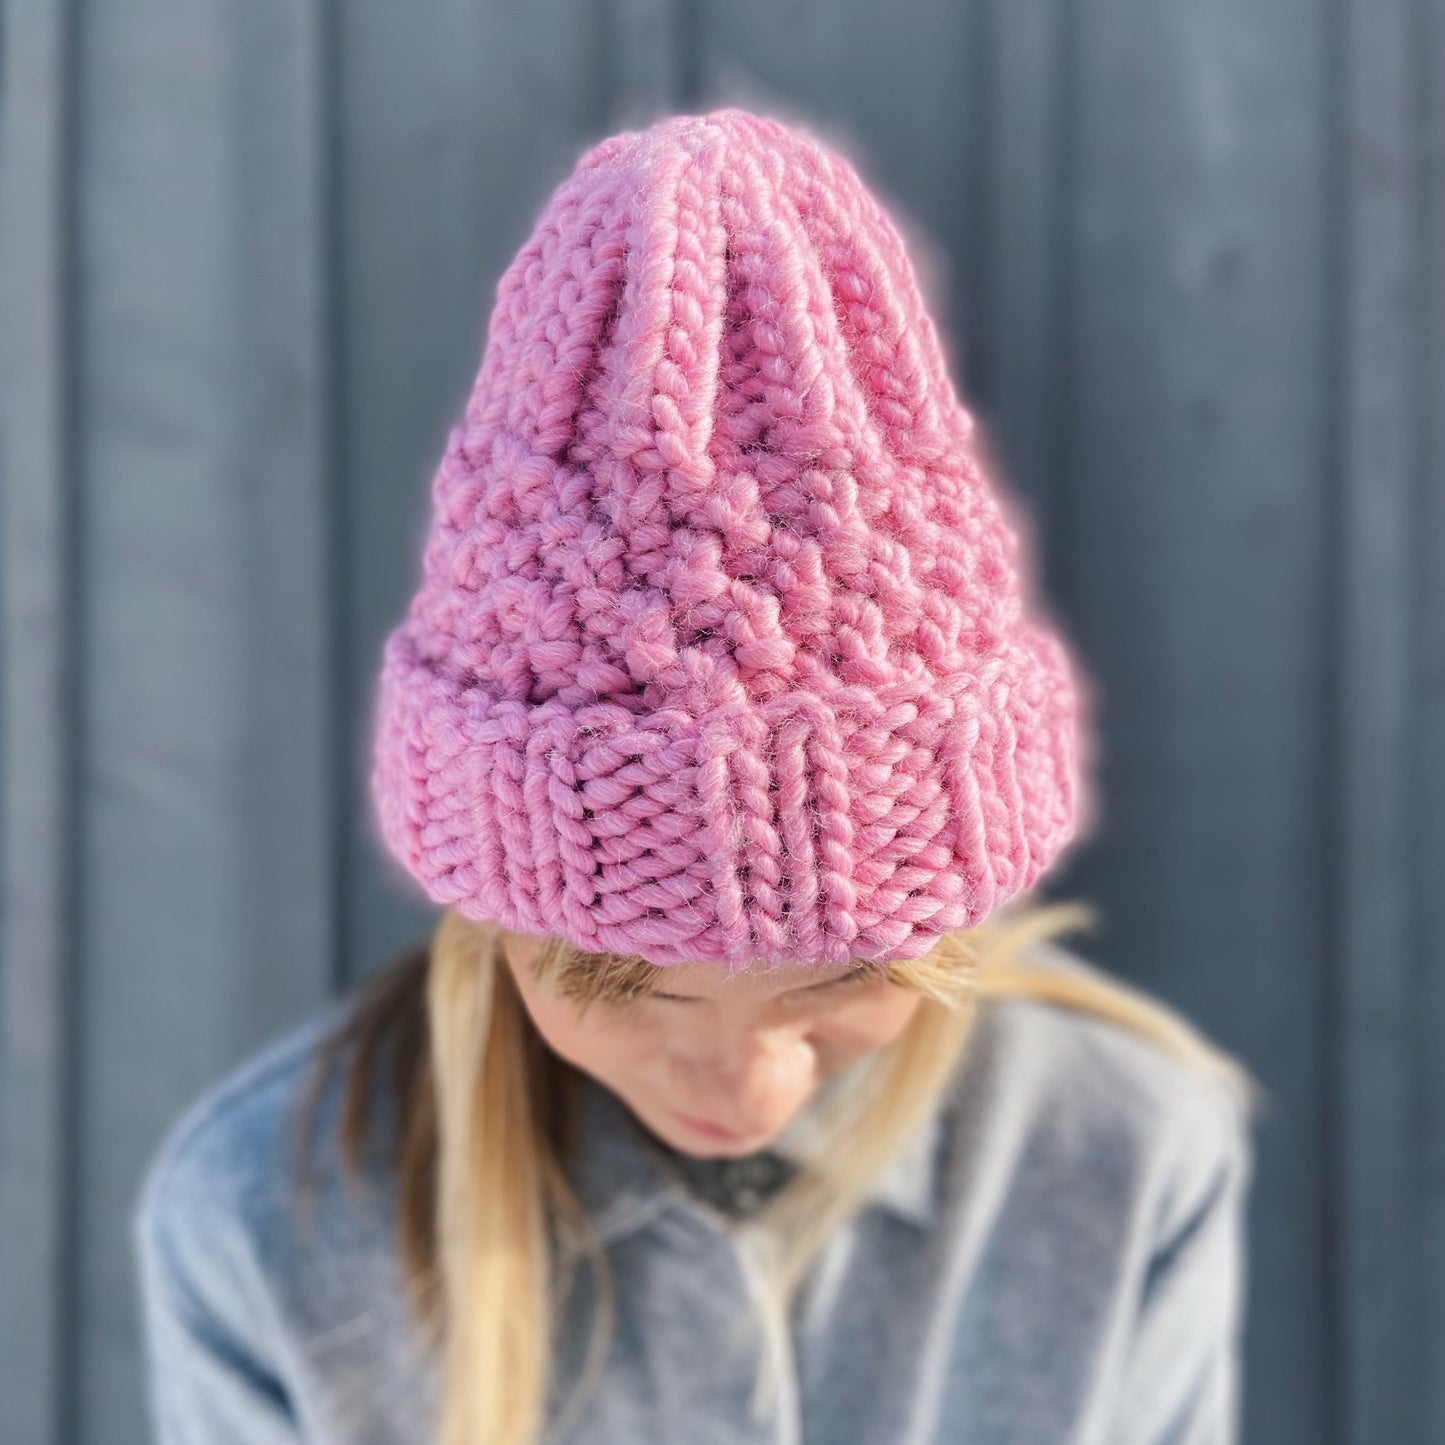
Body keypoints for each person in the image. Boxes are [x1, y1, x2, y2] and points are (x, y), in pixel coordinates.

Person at [130, 106, 1261, 1445]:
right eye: (618, 983)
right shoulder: (262, 1221)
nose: (745, 1087)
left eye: (847, 978)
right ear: (495, 919)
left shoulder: (1120, 1161)